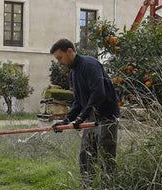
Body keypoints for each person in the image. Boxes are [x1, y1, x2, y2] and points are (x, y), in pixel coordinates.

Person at [49, 37, 120, 178]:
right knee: (86, 157)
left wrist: (81, 117)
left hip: (106, 116)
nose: (59, 62)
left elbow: (99, 93)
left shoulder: (90, 65)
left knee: (106, 157)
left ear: (69, 51)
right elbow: (78, 101)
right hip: (89, 117)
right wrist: (66, 120)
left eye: (60, 58)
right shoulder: (73, 72)